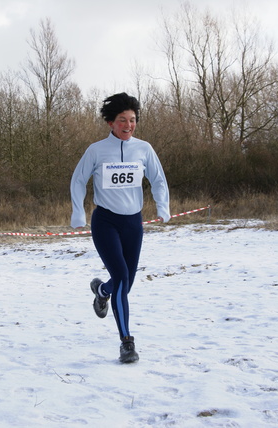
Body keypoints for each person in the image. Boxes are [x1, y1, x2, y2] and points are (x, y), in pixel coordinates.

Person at [70, 92, 170, 364]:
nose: (128, 125)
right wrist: (78, 212)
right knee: (123, 277)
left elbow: (158, 179)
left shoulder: (144, 149)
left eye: (133, 120)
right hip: (106, 221)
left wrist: (163, 207)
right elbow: (78, 180)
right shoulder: (96, 150)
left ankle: (102, 291)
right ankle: (127, 342)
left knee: (126, 283)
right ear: (110, 123)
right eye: (122, 120)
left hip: (132, 223)